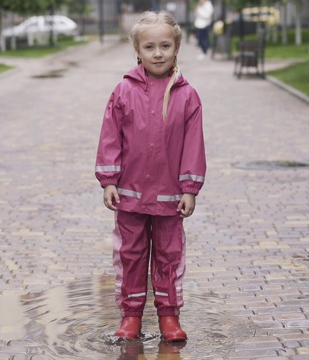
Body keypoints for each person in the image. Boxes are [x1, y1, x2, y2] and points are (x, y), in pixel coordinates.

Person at [94, 11, 206, 343]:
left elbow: (193, 145)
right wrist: (109, 179)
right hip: (129, 193)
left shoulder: (187, 95)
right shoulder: (123, 91)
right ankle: (130, 316)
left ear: (177, 48)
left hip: (171, 195)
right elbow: (110, 136)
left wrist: (190, 188)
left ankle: (169, 317)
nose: (158, 53)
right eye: (150, 47)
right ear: (138, 51)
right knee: (130, 255)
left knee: (169, 255)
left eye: (165, 46)